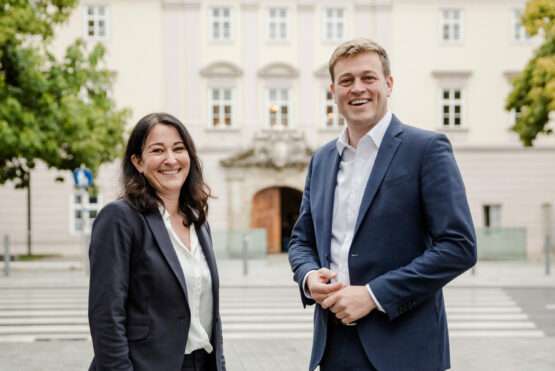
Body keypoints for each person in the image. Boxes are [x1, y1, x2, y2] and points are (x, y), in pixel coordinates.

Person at [288, 38, 477, 371]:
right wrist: (307, 277)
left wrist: (373, 295)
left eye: (368, 78)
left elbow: (458, 247)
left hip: (404, 347)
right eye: (346, 81)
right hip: (333, 346)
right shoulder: (321, 159)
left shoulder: (426, 149)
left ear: (388, 85)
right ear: (334, 90)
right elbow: (302, 240)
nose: (357, 88)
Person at [88, 112, 225, 371]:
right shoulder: (120, 218)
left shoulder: (197, 220)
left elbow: (208, 315)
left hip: (201, 363)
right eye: (157, 150)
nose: (170, 159)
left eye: (179, 148)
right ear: (138, 162)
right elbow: (106, 315)